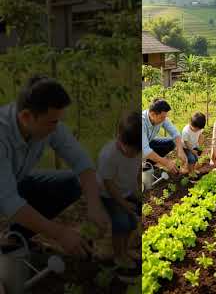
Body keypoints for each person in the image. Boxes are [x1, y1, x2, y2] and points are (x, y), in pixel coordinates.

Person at [0, 76, 109, 257]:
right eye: (52, 122)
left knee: (72, 182)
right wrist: (60, 233)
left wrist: (94, 206)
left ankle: (17, 237)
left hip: (14, 182)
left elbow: (81, 162)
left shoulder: (47, 123)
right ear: (26, 117)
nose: (56, 127)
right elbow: (9, 202)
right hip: (4, 192)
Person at [96, 112, 141, 269]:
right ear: (120, 138)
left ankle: (125, 250)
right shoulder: (109, 155)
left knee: (132, 222)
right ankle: (118, 255)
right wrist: (123, 204)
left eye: (137, 151)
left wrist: (138, 190)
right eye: (131, 150)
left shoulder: (136, 149)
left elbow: (137, 171)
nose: (133, 154)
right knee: (121, 222)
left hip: (126, 192)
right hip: (109, 195)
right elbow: (108, 184)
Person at [142, 99, 187, 175]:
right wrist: (166, 162)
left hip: (146, 144)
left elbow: (175, 133)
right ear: (152, 114)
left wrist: (180, 150)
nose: (164, 120)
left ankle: (148, 164)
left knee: (171, 142)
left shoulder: (161, 117)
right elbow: (146, 151)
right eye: (162, 118)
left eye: (165, 117)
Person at [180, 112, 206, 176]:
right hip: (186, 147)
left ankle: (193, 169)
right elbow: (186, 143)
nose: (196, 130)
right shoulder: (186, 131)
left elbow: (201, 136)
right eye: (195, 129)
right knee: (191, 158)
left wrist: (200, 146)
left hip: (193, 146)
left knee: (196, 158)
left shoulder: (199, 128)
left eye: (198, 129)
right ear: (190, 123)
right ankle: (191, 172)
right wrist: (192, 150)